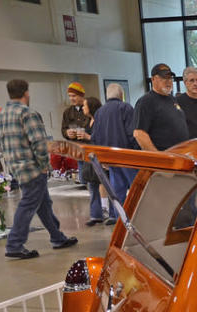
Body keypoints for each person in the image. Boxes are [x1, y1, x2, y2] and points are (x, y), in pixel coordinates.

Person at [0, 78, 77, 259]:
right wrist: (43, 167)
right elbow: (40, 144)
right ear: (26, 93)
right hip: (32, 169)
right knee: (27, 205)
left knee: (43, 205)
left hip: (16, 169)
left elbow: (2, 144)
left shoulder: (1, 116)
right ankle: (14, 244)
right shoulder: (28, 114)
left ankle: (57, 237)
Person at [90, 82, 137, 224]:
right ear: (121, 95)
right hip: (127, 157)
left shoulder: (99, 112)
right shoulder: (126, 108)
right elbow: (132, 133)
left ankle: (120, 222)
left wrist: (101, 158)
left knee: (118, 193)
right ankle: (138, 220)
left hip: (110, 159)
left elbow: (95, 137)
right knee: (136, 191)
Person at [133, 63, 190, 152]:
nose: (168, 81)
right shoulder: (146, 101)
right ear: (153, 79)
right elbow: (139, 134)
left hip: (180, 155)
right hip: (164, 158)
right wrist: (158, 157)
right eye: (164, 78)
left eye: (170, 78)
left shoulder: (172, 99)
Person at [75, 96, 108, 226]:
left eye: (84, 105)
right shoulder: (87, 121)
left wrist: (87, 136)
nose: (83, 108)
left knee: (103, 183)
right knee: (92, 184)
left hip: (99, 156)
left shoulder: (100, 121)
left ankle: (108, 211)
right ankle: (95, 215)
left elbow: (101, 138)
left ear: (91, 107)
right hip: (89, 156)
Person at [53, 82, 88, 178]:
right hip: (77, 149)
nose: (71, 98)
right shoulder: (67, 112)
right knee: (83, 178)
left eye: (74, 96)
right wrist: (67, 133)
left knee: (92, 179)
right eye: (69, 96)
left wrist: (87, 134)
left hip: (90, 148)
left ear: (81, 95)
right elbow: (63, 129)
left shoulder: (90, 108)